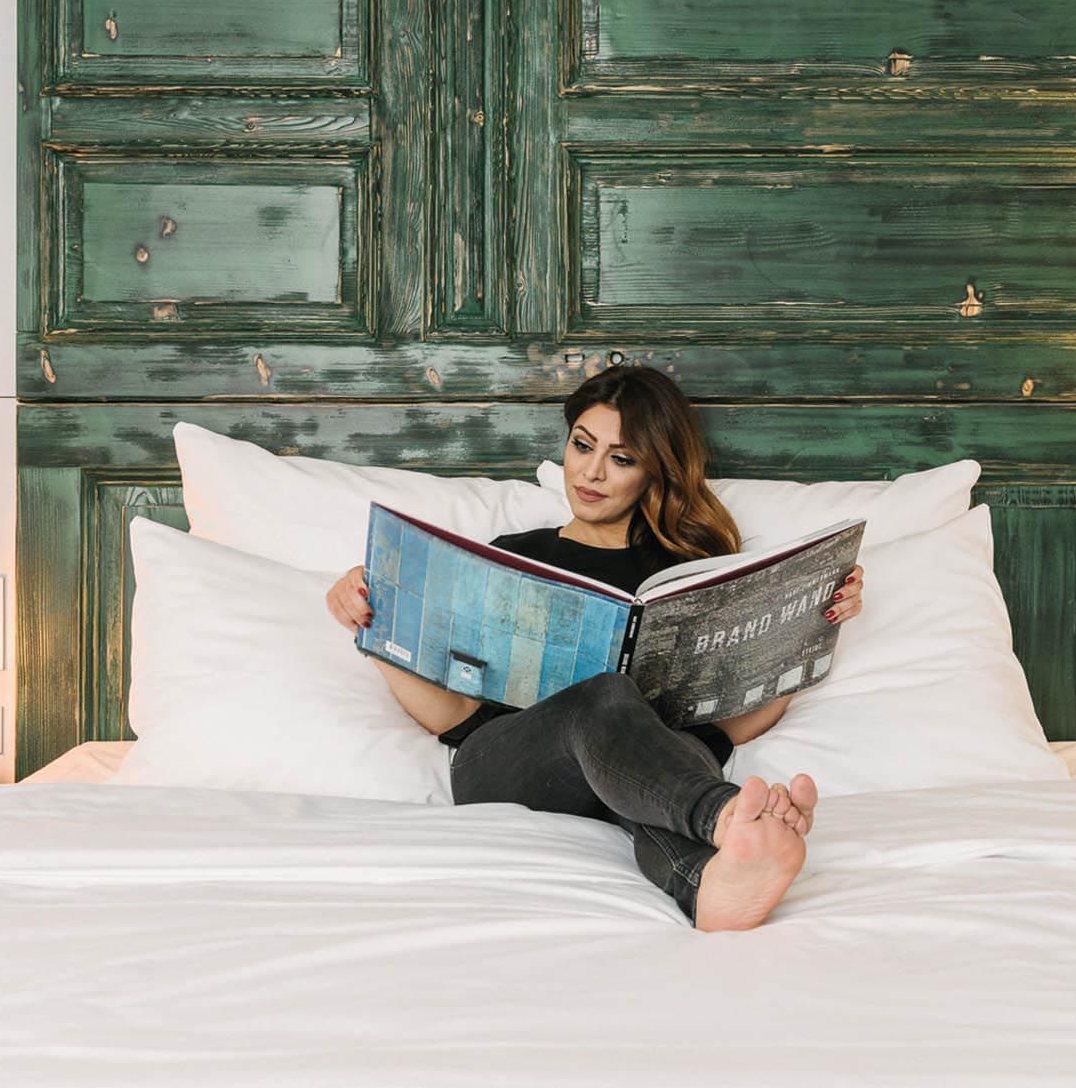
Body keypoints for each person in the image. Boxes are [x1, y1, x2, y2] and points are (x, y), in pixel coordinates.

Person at [323, 366, 864, 930]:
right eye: (582, 446)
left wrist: (816, 623)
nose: (593, 471)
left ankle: (708, 888)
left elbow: (728, 726)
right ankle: (723, 813)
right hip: (509, 764)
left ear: (654, 473)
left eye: (622, 459)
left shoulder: (690, 576)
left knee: (662, 761)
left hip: (649, 769)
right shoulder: (513, 557)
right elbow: (453, 715)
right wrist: (373, 621)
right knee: (607, 696)